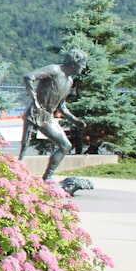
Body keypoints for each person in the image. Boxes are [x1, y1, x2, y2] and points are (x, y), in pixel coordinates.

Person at [18, 48, 88, 180]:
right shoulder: (54, 70)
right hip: (35, 112)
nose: (83, 68)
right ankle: (15, 174)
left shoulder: (69, 81)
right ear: (75, 63)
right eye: (82, 64)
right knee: (24, 147)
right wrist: (34, 99)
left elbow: (61, 106)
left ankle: (47, 177)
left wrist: (74, 121)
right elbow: (28, 77)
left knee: (65, 145)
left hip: (48, 117)